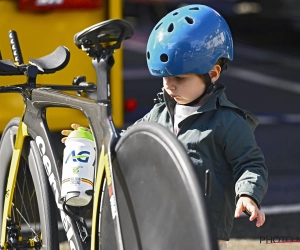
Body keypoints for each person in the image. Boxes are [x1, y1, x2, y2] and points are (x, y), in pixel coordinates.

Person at [62, 4, 268, 249]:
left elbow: (250, 163)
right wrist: (93, 141)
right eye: (165, 77)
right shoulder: (158, 114)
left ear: (212, 73)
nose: (169, 85)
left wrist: (247, 194)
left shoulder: (227, 122)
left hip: (203, 231)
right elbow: (125, 145)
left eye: (179, 78)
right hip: (158, 223)